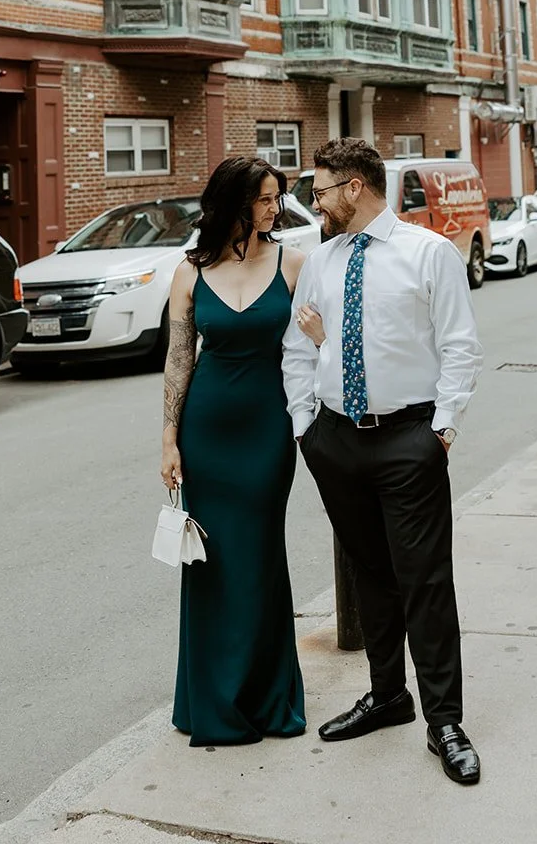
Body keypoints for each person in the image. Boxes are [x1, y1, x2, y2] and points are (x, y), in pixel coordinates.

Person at [282, 137, 484, 786]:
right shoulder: (320, 259)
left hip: (408, 440)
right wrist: (305, 427)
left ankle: (444, 721)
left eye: (319, 191)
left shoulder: (427, 254)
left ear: (354, 189)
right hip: (336, 440)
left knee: (423, 581)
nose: (313, 202)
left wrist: (442, 429)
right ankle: (386, 695)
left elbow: (459, 345)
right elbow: (296, 345)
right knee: (370, 576)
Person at [161, 156, 321, 745]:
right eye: (263, 199)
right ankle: (211, 701)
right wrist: (169, 440)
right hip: (206, 433)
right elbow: (179, 359)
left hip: (267, 431)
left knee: (257, 559)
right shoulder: (189, 271)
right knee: (210, 567)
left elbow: (317, 342)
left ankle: (266, 697)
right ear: (231, 203)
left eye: (277, 198)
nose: (273, 209)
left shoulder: (294, 263)